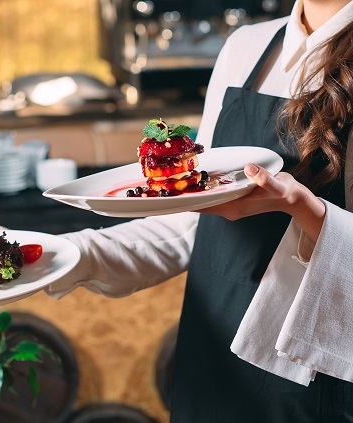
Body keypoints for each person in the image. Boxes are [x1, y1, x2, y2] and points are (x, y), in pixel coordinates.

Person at [44, 0, 353, 421]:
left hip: (312, 373)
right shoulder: (246, 47)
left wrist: (307, 211)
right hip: (210, 360)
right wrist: (65, 256)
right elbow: (190, 222)